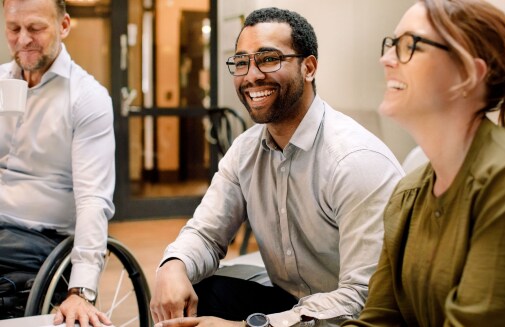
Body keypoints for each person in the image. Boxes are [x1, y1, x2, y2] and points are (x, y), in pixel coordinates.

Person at [149, 6, 404, 327]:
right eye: (241, 62)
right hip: (294, 298)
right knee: (192, 294)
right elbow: (205, 233)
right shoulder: (246, 150)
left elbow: (363, 297)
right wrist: (173, 265)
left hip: (354, 316)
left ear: (309, 67)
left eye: (269, 59)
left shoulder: (353, 160)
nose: (251, 75)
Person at [343, 0, 505, 326]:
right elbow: (379, 320)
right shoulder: (407, 194)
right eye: (390, 44)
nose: (385, 60)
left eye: (409, 45)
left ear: (468, 74)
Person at [0, 0, 115, 326]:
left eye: (35, 28)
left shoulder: (86, 96)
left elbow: (94, 199)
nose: (23, 40)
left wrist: (81, 290)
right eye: (13, 28)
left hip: (40, 241)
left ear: (64, 26)